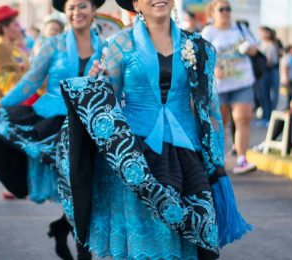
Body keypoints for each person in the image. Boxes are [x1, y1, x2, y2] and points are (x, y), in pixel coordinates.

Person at [59, 0, 251, 258]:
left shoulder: (197, 45)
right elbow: (108, 99)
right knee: (149, 241)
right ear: (136, 4)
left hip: (186, 151)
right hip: (137, 155)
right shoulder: (120, 44)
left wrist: (215, 161)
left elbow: (209, 109)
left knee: (196, 235)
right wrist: (95, 82)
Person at [0, 0, 105, 258]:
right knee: (76, 185)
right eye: (71, 7)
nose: (77, 12)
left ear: (94, 9)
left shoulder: (107, 47)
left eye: (83, 6)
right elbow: (31, 81)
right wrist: (2, 103)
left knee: (90, 188)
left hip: (92, 125)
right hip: (56, 123)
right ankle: (83, 253)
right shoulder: (53, 44)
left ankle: (62, 226)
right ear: (65, 12)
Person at [201, 0, 258, 175]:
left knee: (243, 118)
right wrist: (214, 67)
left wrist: (248, 48)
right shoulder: (208, 32)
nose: (226, 12)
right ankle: (216, 161)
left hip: (242, 82)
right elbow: (201, 56)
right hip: (219, 86)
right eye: (221, 9)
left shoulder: (239, 28)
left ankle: (241, 159)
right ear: (213, 13)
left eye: (228, 9)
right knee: (220, 123)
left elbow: (255, 50)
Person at [0, 6, 29, 103]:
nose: (20, 28)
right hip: (6, 105)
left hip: (20, 100)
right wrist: (28, 80)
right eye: (16, 25)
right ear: (5, 28)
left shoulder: (13, 47)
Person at [256, 26, 281, 122]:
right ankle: (265, 116)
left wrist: (261, 62)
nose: (261, 35)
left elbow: (271, 60)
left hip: (269, 71)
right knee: (262, 95)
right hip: (262, 72)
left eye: (262, 32)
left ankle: (268, 117)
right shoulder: (260, 44)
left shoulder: (271, 44)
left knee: (269, 95)